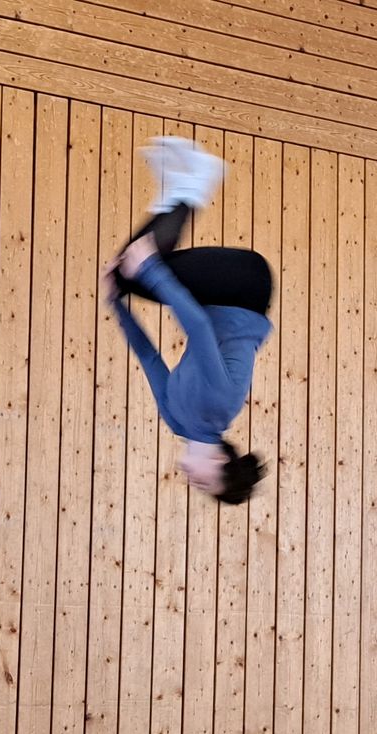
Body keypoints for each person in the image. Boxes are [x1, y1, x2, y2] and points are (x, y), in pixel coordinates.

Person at [103, 137, 271, 505]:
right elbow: (197, 326)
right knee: (139, 272)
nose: (196, 483)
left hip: (215, 301)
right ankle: (191, 185)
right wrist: (151, 271)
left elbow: (149, 357)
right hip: (246, 288)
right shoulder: (217, 405)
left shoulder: (177, 419)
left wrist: (117, 305)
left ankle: (178, 190)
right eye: (207, 484)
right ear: (220, 461)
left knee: (123, 277)